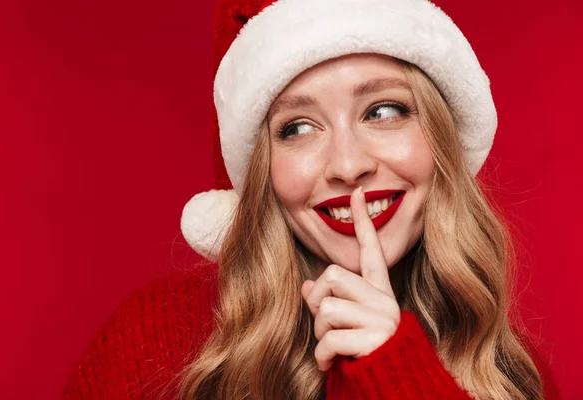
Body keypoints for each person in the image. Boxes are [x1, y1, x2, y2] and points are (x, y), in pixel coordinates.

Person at [62, 0, 562, 399]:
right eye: (297, 127)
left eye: (383, 111)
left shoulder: (511, 377)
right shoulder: (151, 346)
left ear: (440, 137)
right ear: (262, 170)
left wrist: (393, 373)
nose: (347, 165)